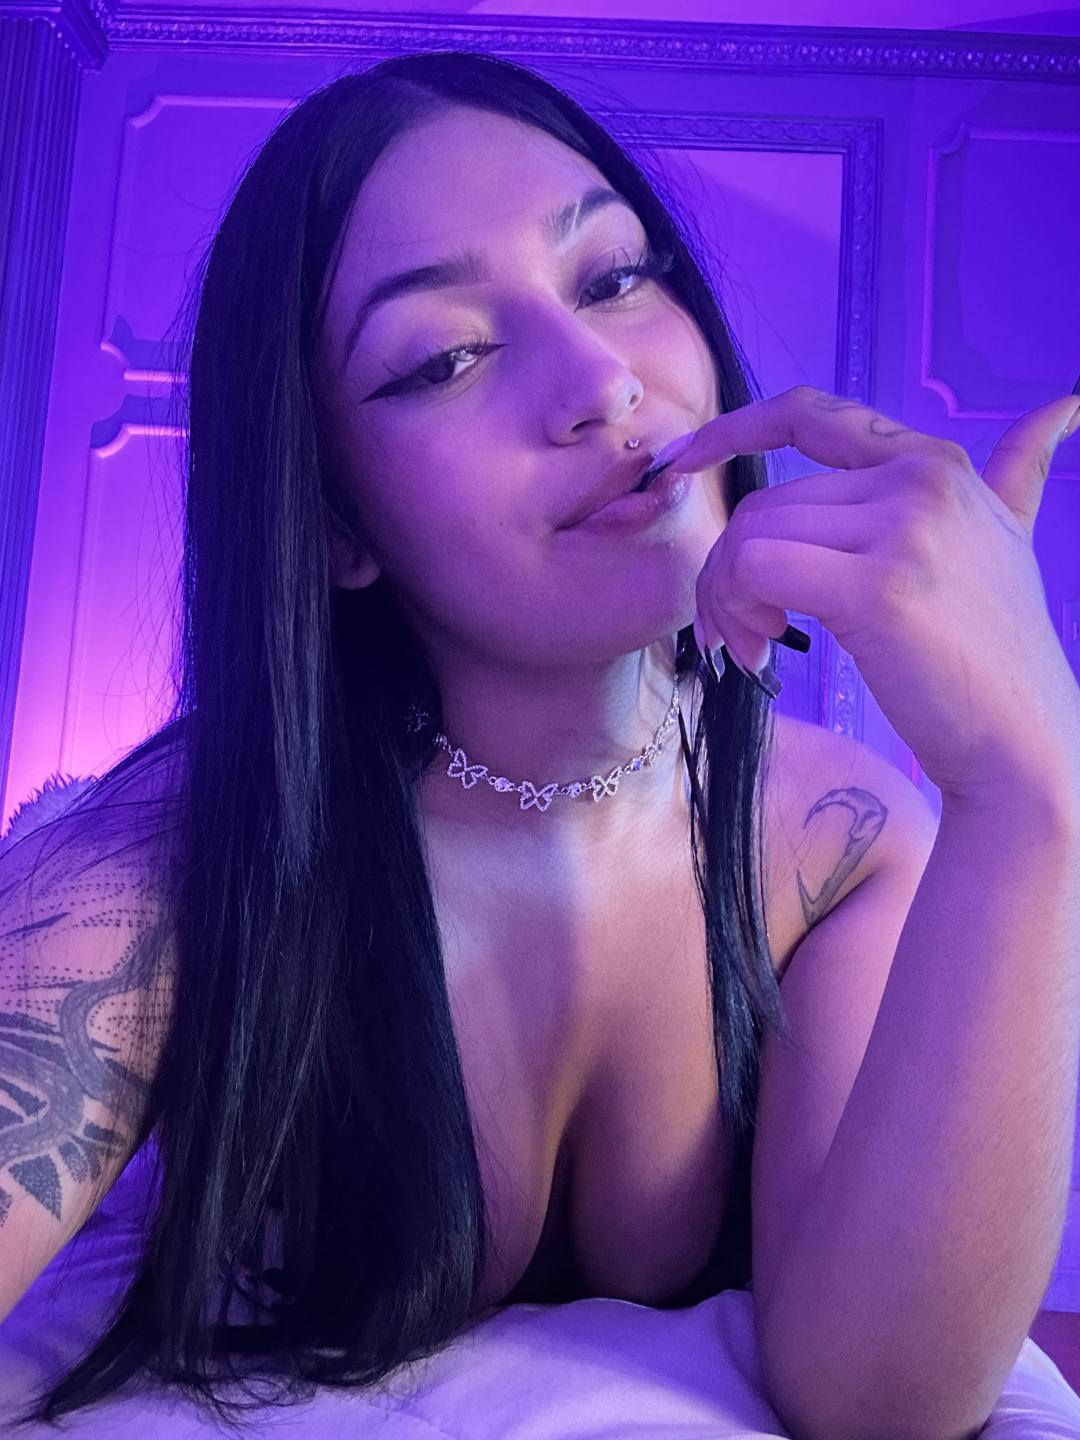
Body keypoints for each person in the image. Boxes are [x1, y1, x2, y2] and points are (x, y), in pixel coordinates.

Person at [2, 48, 1078, 1439]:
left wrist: (1027, 791)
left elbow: (875, 1398)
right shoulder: (184, 850)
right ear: (334, 523)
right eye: (445, 357)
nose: (602, 382)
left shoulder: (838, 848)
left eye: (616, 276)